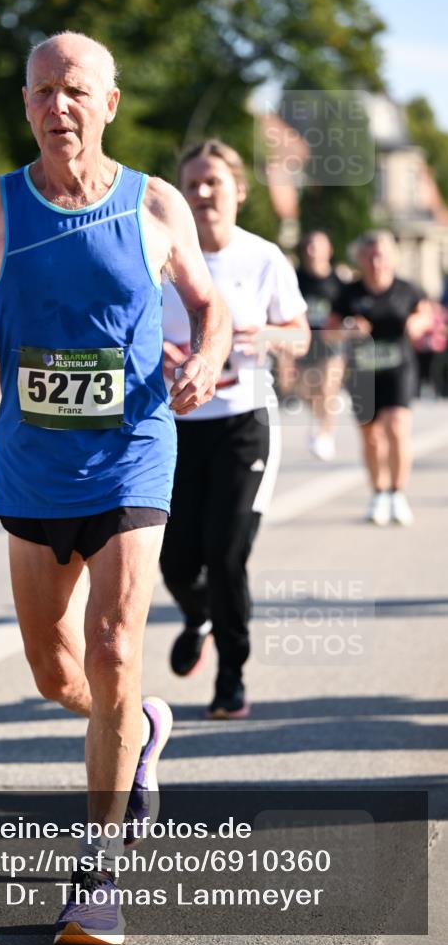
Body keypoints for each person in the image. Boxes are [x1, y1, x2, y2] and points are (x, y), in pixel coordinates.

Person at [0, 32, 229, 945]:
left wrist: (206, 358)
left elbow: (209, 307)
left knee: (110, 648)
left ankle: (98, 875)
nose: (58, 106)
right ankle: (140, 729)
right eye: (42, 91)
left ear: (109, 102)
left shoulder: (155, 204)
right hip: (31, 467)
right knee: (56, 673)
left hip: (134, 451)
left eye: (76, 90)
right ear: (25, 105)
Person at [161, 140, 310, 719]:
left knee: (226, 555)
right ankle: (197, 613)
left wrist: (264, 336)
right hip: (175, 426)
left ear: (238, 191)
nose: (202, 193)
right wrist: (161, 352)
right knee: (175, 561)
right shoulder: (161, 257)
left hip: (243, 423)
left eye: (214, 182)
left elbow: (299, 334)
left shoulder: (263, 257)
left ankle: (231, 676)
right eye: (192, 184)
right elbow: (131, 328)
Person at [323, 230, 434, 526]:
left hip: (398, 368)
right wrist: (348, 329)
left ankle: (397, 493)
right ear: (360, 259)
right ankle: (379, 493)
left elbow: (426, 314)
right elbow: (329, 332)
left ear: (392, 258)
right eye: (370, 257)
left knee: (397, 427)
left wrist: (417, 323)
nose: (376, 263)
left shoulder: (406, 290)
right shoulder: (349, 293)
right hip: (362, 372)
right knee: (371, 437)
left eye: (381, 256)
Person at [294, 230, 346, 461]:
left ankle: (326, 434)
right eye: (309, 245)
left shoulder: (338, 282)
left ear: (329, 251)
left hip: (331, 342)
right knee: (306, 391)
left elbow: (348, 309)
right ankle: (320, 417)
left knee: (327, 387)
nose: (312, 250)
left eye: (317, 245)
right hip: (305, 342)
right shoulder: (295, 279)